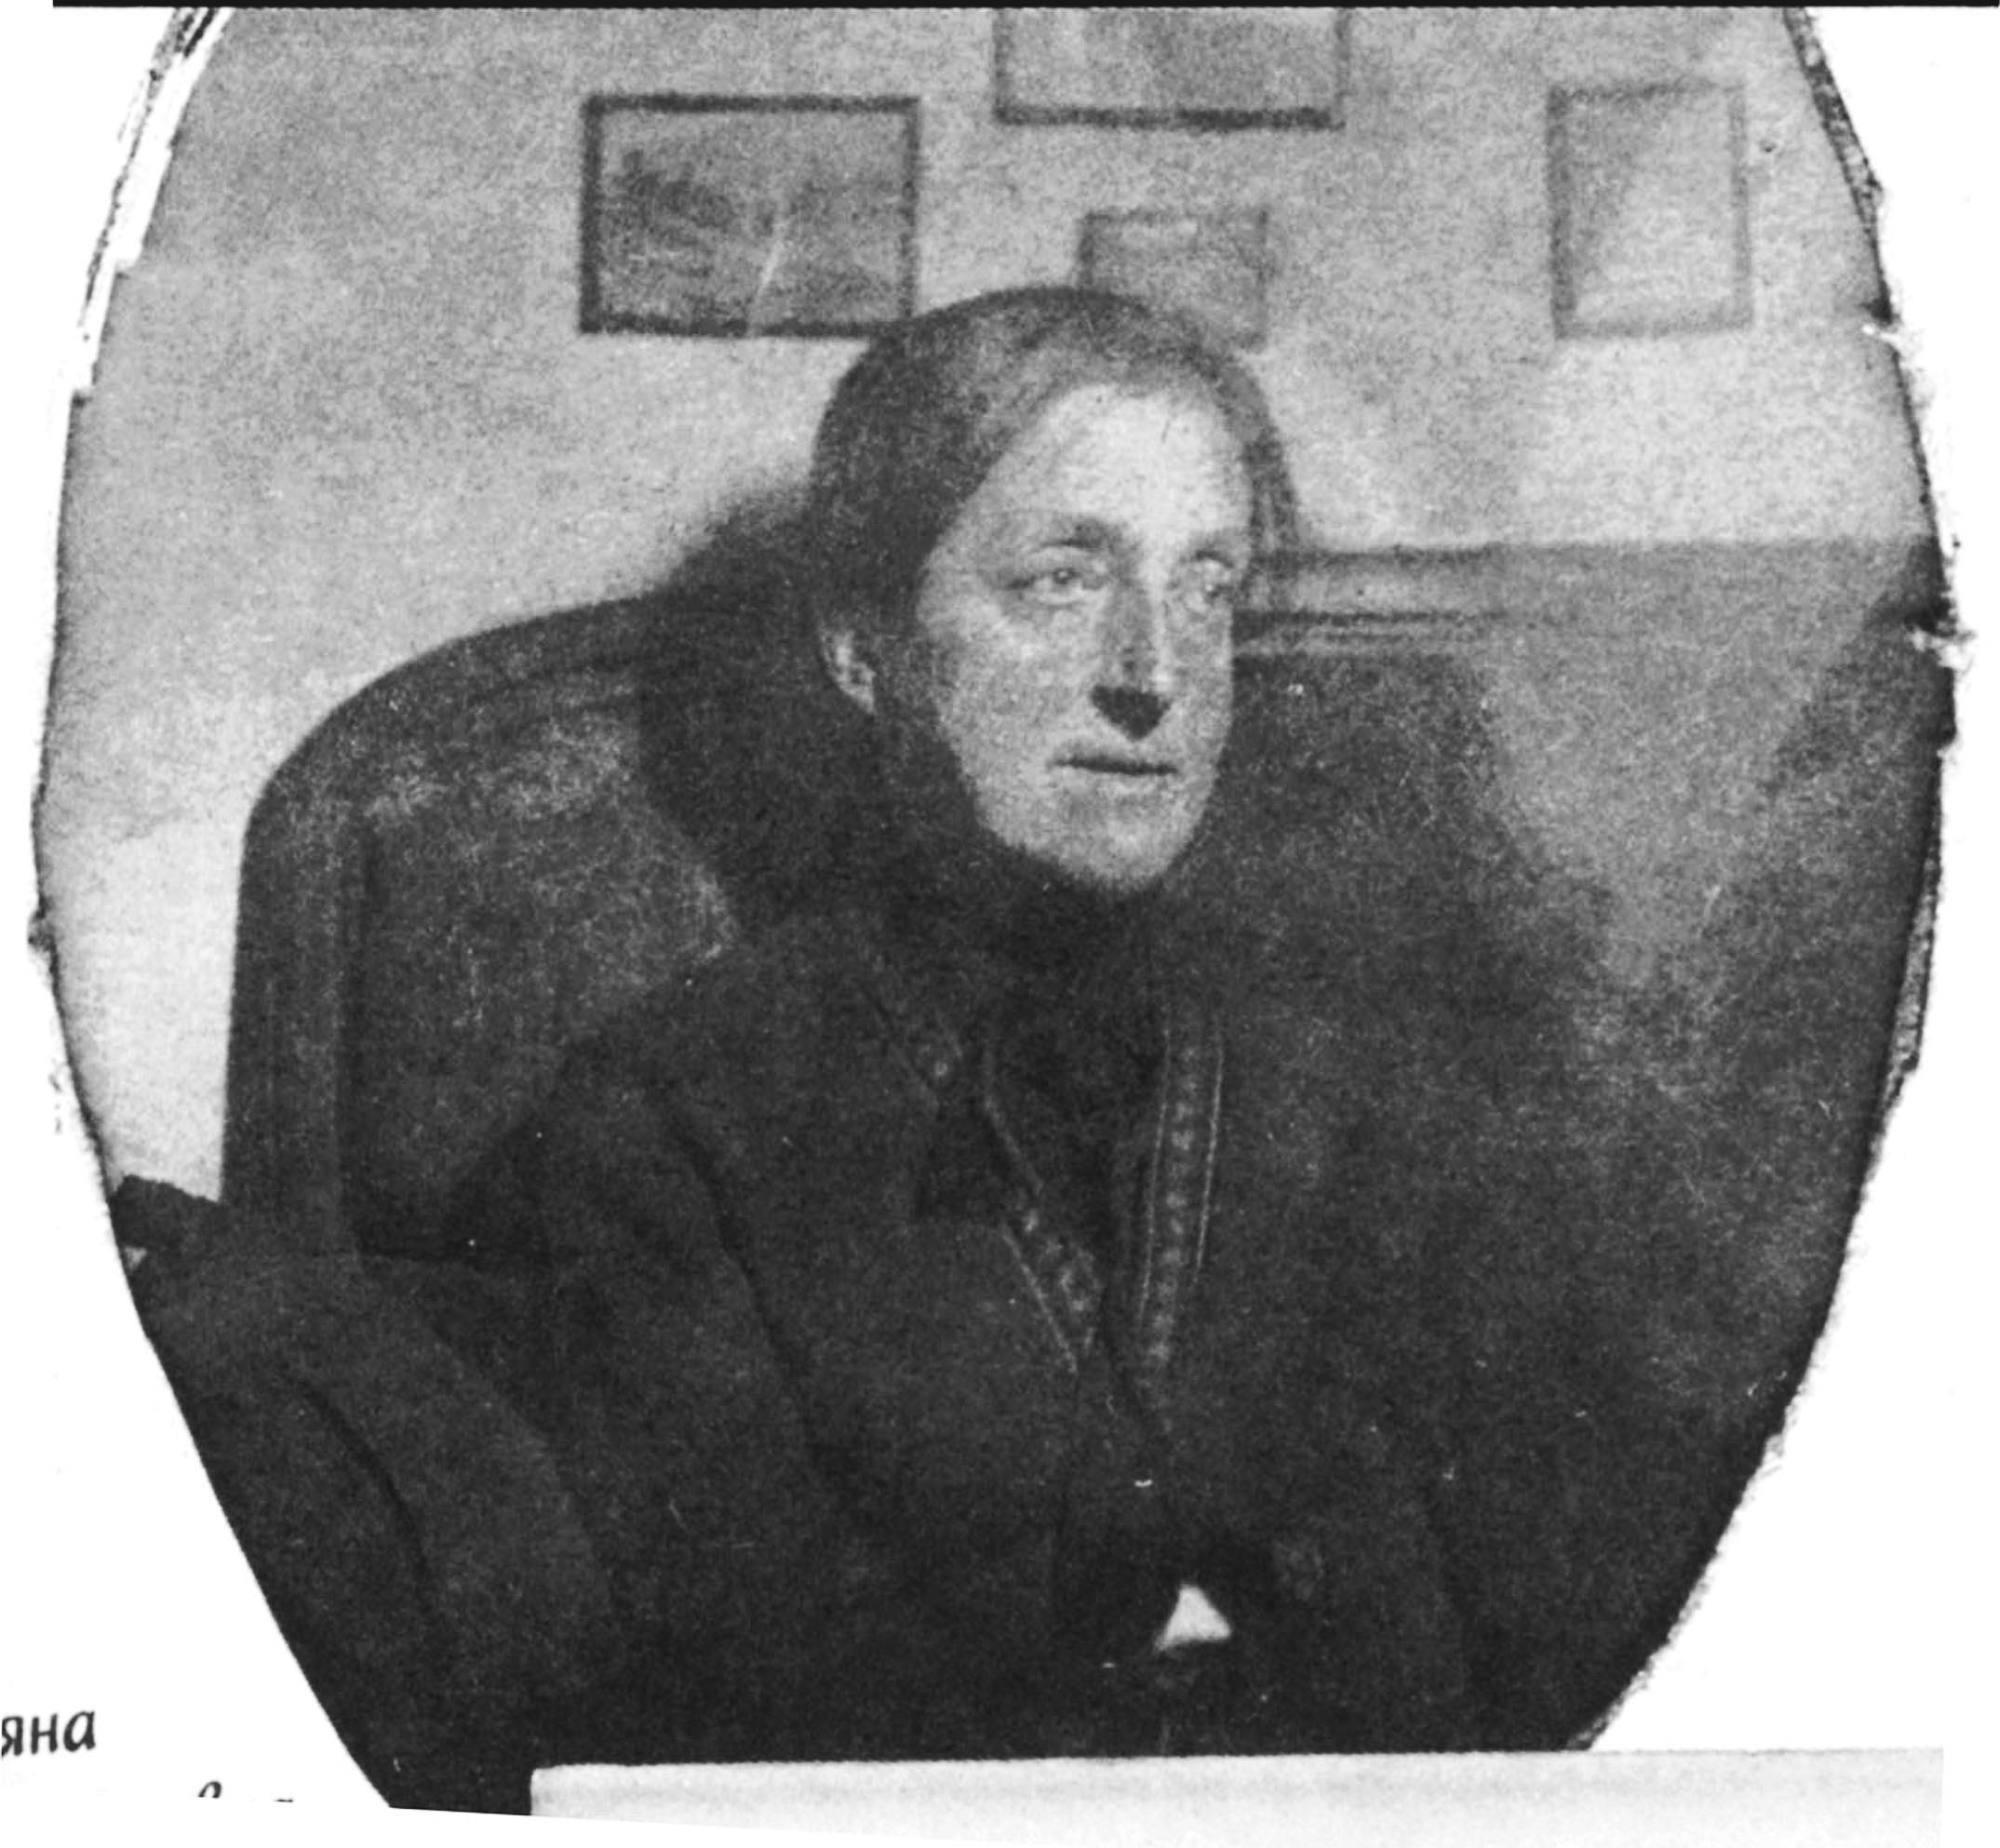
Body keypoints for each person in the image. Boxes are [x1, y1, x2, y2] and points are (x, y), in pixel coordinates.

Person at [128, 287, 1926, 1811]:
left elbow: (1552, 1659)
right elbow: (738, 1754)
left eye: (1207, 588)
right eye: (1063, 579)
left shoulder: (1379, 1074)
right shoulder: (665, 1124)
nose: (1155, 668)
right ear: (865, 651)